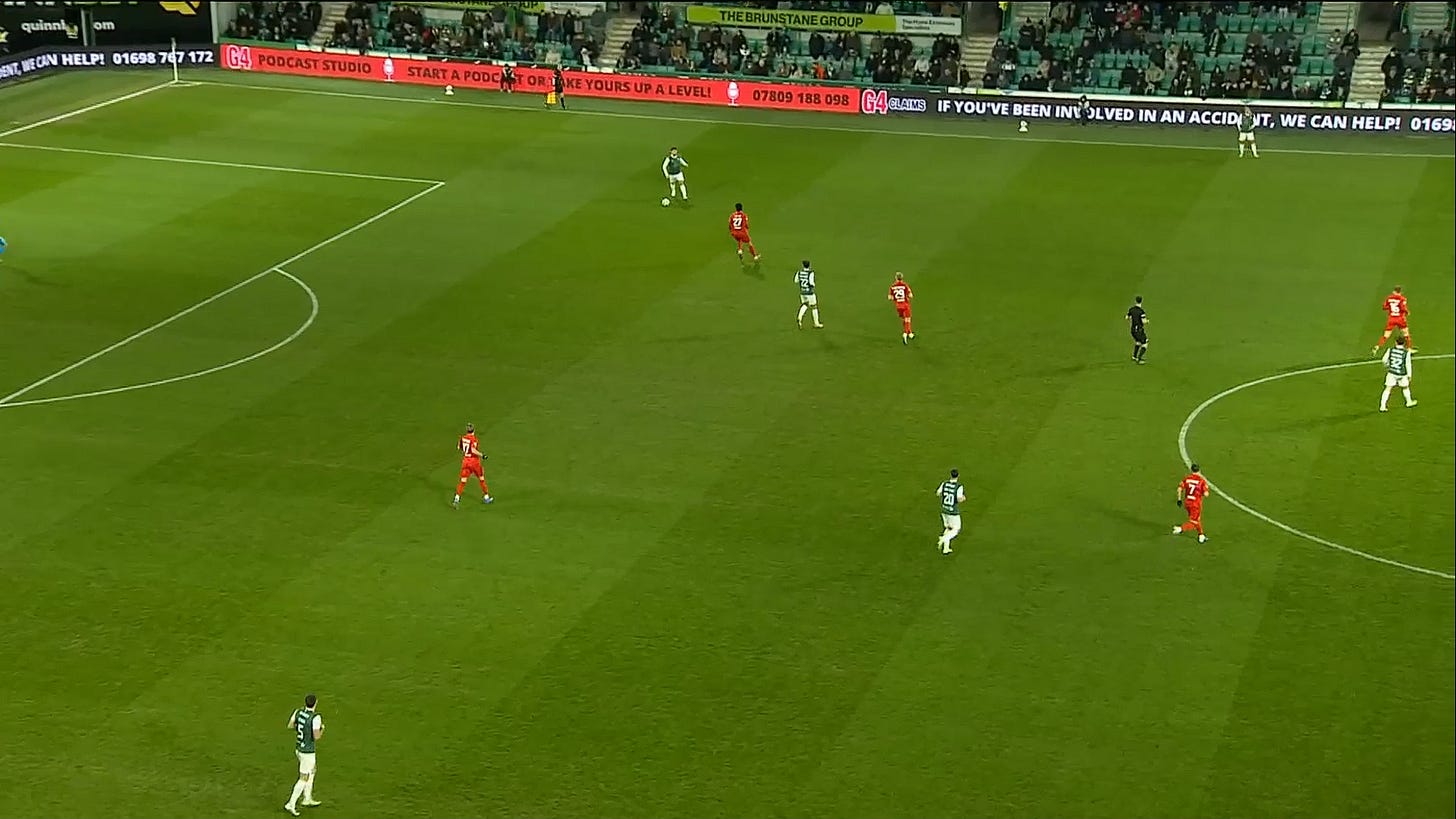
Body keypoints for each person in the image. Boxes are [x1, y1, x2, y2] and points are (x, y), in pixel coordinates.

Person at [283, 694, 325, 815]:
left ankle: (307, 798)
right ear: (315, 703)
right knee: (303, 778)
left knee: (312, 770)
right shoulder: (315, 718)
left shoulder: (298, 712)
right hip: (307, 752)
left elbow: (290, 725)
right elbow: (316, 736)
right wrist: (322, 729)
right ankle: (291, 803)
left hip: (299, 748)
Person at [453, 423, 493, 508]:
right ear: (474, 430)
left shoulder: (463, 438)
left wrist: (466, 452)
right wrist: (482, 455)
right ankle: (486, 497)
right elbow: (473, 450)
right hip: (474, 462)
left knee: (463, 481)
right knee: (481, 479)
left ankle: (456, 498)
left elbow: (459, 447)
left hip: (465, 461)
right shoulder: (474, 439)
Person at [1372, 285, 1413, 355]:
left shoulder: (1389, 298)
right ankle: (1409, 348)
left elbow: (1384, 307)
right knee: (1406, 334)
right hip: (1400, 319)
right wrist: (1407, 312)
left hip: (1391, 319)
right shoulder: (1402, 299)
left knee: (1386, 335)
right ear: (1400, 292)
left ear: (1394, 291)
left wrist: (1390, 307)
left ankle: (1377, 347)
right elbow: (1402, 308)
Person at [1173, 464, 1210, 543]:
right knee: (1194, 522)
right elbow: (1206, 494)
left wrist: (1179, 499)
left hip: (1187, 503)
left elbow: (1179, 489)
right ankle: (1180, 529)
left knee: (1196, 519)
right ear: (1199, 471)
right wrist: (1202, 492)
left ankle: (1201, 535)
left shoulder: (1187, 479)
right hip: (1195, 504)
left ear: (1191, 470)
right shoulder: (1201, 481)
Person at [1379, 336, 1417, 412]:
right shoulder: (1406, 353)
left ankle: (1382, 406)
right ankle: (1409, 402)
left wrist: (1387, 365)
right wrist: (1409, 375)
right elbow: (1408, 364)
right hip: (1402, 374)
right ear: (1404, 343)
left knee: (1388, 389)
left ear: (1396, 342)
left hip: (1392, 372)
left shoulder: (1390, 350)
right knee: (1405, 387)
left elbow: (1384, 360)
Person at [935, 468, 966, 555]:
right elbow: (959, 499)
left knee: (949, 528)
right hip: (953, 512)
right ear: (958, 476)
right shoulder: (959, 486)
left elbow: (938, 493)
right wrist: (963, 498)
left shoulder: (944, 483)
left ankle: (946, 548)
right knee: (956, 529)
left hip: (944, 510)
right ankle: (943, 539)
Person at [793, 260, 823, 329]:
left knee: (805, 304)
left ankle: (799, 317)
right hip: (810, 293)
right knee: (814, 307)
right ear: (809, 265)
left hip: (802, 292)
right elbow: (811, 283)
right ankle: (816, 323)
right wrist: (813, 285)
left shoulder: (799, 272)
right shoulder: (810, 273)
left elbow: (796, 281)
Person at [887, 272, 914, 344]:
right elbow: (911, 295)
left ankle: (910, 333)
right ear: (902, 278)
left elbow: (889, 297)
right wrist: (907, 296)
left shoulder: (892, 286)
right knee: (908, 319)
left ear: (896, 278)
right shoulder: (905, 285)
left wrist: (895, 298)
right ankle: (905, 333)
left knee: (905, 319)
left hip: (898, 306)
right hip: (905, 305)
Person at [1126, 295, 1148, 364]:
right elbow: (1143, 321)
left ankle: (1134, 356)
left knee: (1138, 342)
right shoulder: (1141, 311)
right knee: (1145, 343)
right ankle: (1139, 359)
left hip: (1133, 330)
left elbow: (1127, 317)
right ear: (1141, 301)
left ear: (1135, 301)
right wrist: (1147, 321)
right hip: (1138, 330)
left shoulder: (1131, 309)